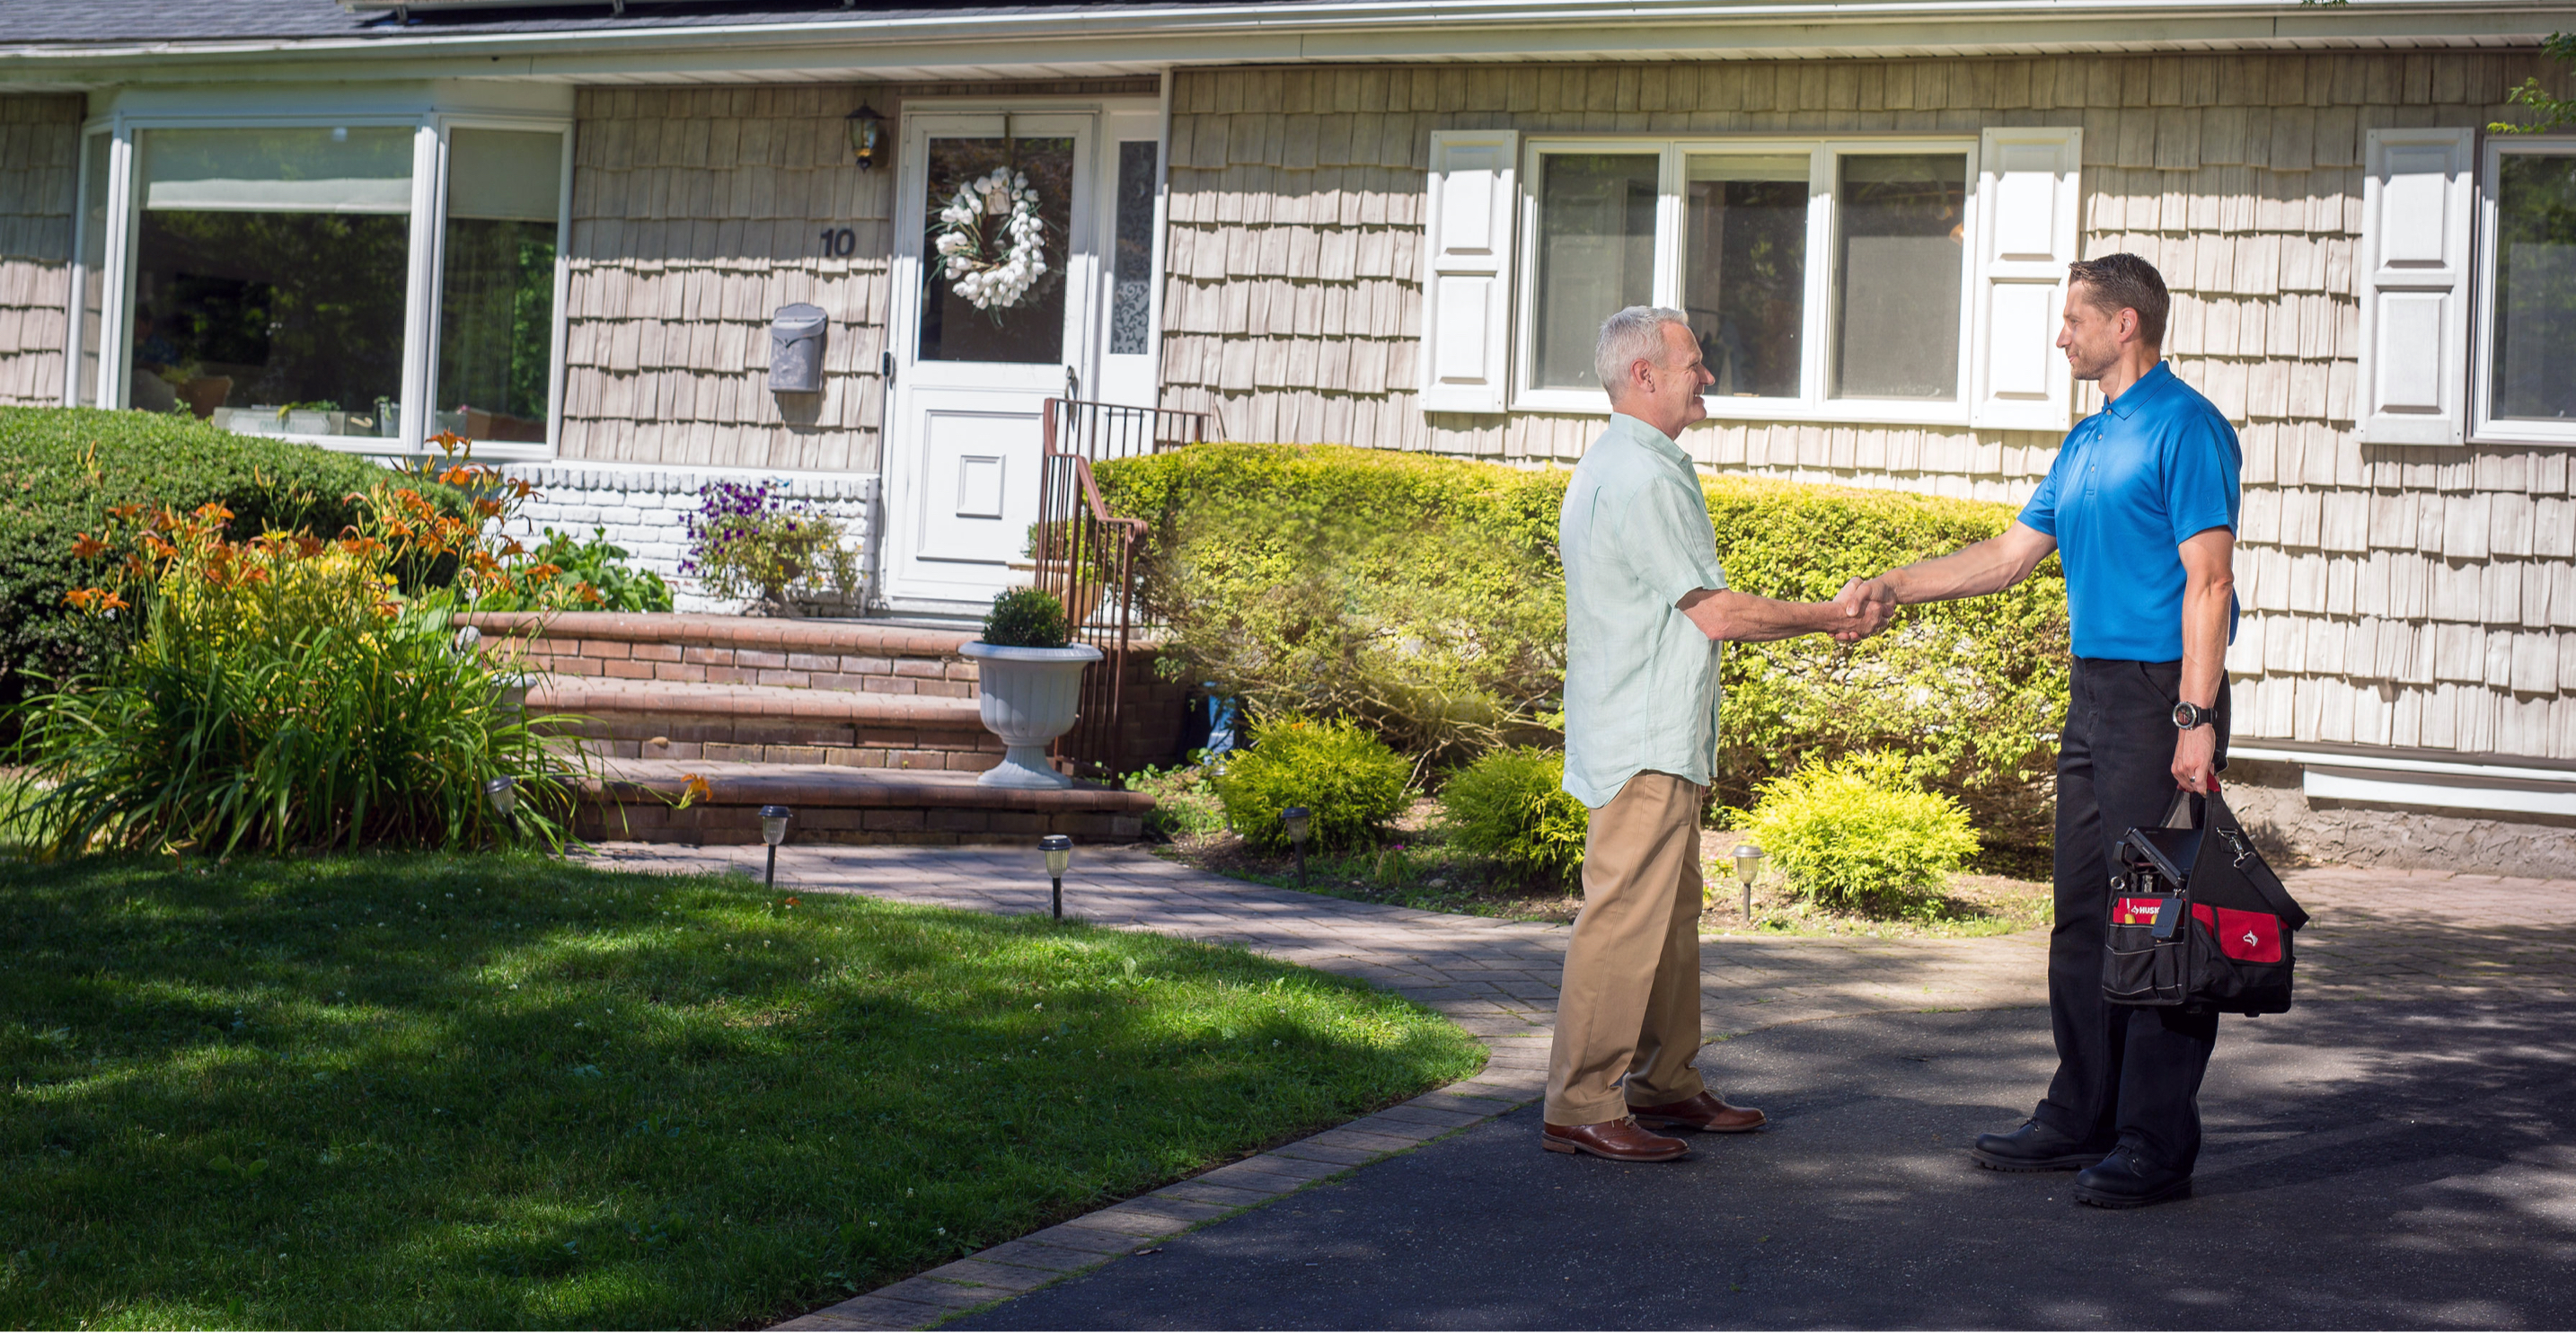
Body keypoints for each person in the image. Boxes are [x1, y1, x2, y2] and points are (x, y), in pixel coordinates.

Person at [1838, 253, 2239, 1208]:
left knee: (2158, 917)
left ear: (2125, 324)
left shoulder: (2188, 427)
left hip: (2159, 694)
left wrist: (2195, 715)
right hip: (2095, 691)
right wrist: (1896, 582)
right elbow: (2010, 556)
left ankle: (2154, 1140)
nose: (2062, 335)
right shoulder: (2087, 440)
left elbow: (2209, 581)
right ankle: (2081, 1110)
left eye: (2074, 320)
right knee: (2081, 909)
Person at [1544, 305, 1891, 1163]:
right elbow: (1715, 614)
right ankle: (1581, 1102)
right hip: (1644, 734)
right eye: (1693, 363)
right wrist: (1828, 618)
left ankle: (1667, 1084)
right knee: (1625, 918)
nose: (1706, 377)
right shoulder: (1644, 476)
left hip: (1648, 727)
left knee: (1668, 916)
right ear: (1644, 377)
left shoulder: (1623, 463)